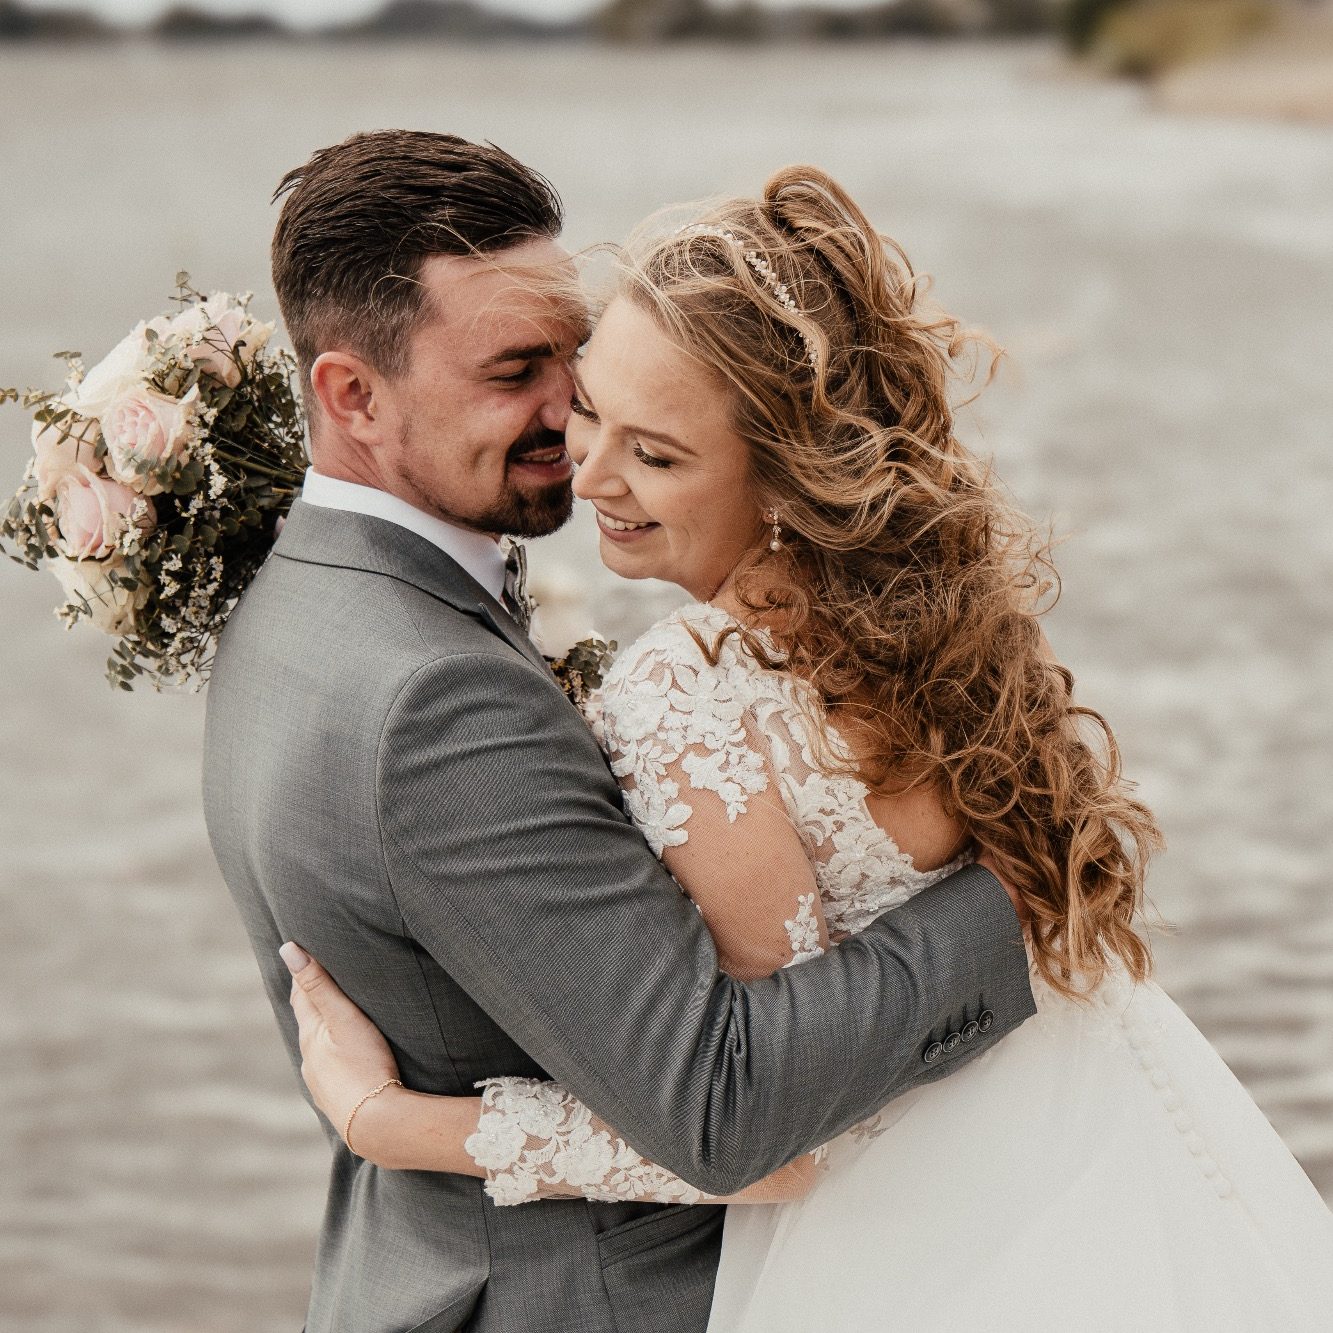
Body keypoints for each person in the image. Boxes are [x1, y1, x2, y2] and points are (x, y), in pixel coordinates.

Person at [281, 164, 1333, 1330]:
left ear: (781, 475)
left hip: (915, 1243)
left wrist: (392, 1125)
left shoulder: (685, 693)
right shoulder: (942, 613)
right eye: (590, 409)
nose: (589, 473)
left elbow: (766, 1134)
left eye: (659, 456)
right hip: (1107, 1136)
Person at [201, 131, 1036, 1333]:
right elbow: (722, 1114)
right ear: (351, 394)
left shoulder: (295, 599)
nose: (572, 414)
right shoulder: (435, 702)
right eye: (513, 372)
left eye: (573, 352)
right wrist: (1013, 902)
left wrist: (391, 1120)